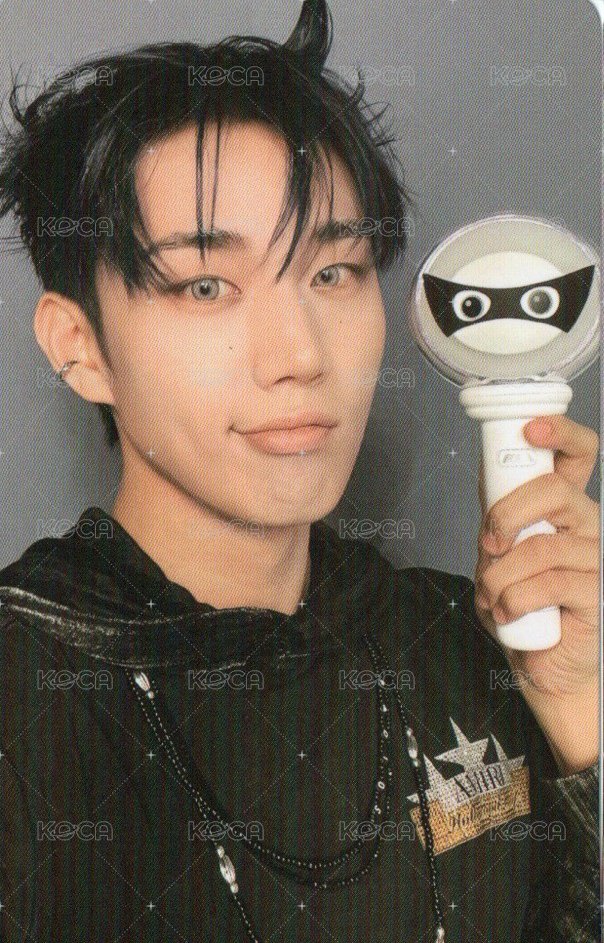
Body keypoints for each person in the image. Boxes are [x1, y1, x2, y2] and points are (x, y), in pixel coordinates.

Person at [0, 2, 599, 941]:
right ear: (79, 345)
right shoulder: (26, 692)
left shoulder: (463, 640)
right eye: (207, 285)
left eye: (333, 272)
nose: (301, 355)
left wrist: (576, 716)